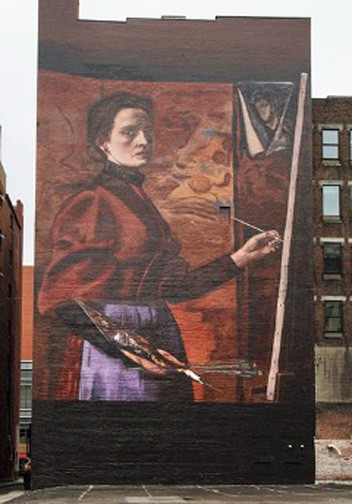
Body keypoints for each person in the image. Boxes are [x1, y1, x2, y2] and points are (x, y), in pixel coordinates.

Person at [38, 92, 280, 402]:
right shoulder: (92, 202)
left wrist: (241, 257)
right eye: (129, 132)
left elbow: (176, 286)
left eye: (147, 132)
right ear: (103, 142)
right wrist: (130, 348)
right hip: (114, 352)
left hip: (160, 335)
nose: (143, 141)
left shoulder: (139, 200)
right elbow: (62, 299)